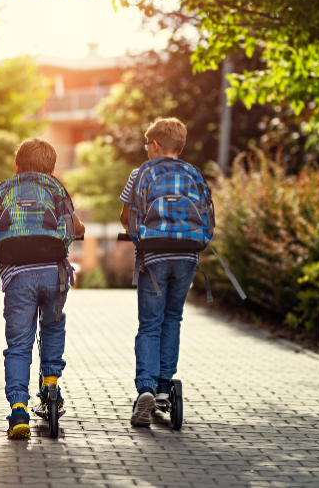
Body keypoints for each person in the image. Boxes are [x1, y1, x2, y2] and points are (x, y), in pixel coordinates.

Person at [0, 139, 85, 439]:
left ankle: (18, 410)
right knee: (53, 326)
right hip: (53, 272)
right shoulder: (56, 189)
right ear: (52, 169)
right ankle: (51, 384)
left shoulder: (2, 190)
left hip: (16, 276)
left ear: (16, 166)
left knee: (18, 345)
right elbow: (71, 229)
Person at [118, 118, 198, 426]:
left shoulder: (140, 174)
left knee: (149, 324)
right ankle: (165, 388)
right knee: (173, 318)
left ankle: (146, 388)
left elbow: (126, 216)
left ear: (154, 146)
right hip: (188, 256)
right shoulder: (194, 174)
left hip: (153, 257)